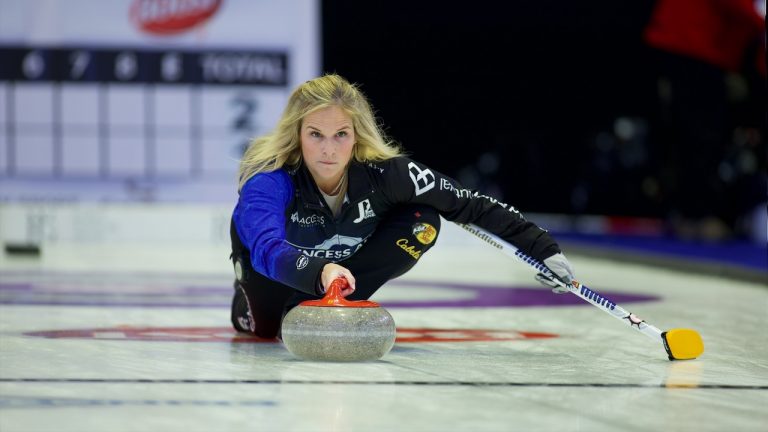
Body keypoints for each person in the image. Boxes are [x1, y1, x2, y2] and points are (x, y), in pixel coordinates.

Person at [229, 74, 575, 339]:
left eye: (341, 135)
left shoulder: (389, 174)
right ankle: (253, 303)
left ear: (357, 135)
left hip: (341, 274)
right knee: (267, 331)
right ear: (297, 134)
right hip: (274, 271)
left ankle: (339, 302)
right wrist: (319, 272)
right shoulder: (270, 179)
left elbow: (469, 205)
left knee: (422, 220)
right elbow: (266, 247)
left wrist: (542, 249)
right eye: (316, 134)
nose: (329, 150)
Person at [642, 0, 766, 241]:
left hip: (698, 45)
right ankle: (696, 215)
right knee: (699, 136)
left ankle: (690, 214)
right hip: (691, 44)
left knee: (694, 134)